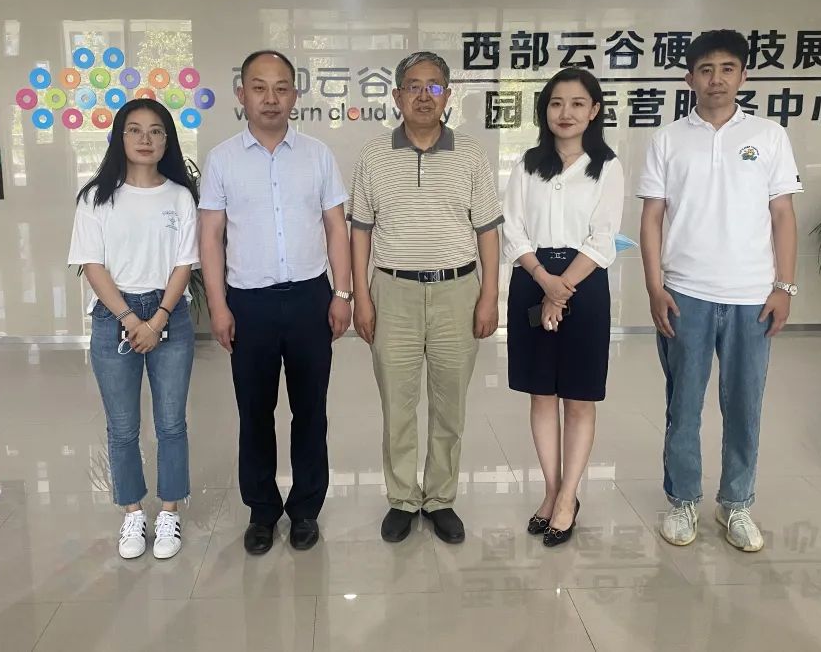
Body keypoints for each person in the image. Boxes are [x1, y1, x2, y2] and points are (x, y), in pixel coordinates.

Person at [637, 29, 802, 552]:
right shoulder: (668, 139)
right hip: (685, 293)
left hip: (752, 296)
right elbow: (652, 217)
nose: (716, 79)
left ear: (743, 75)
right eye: (706, 70)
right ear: (690, 78)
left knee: (745, 405)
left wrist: (784, 286)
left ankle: (736, 502)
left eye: (727, 69)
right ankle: (683, 500)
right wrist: (654, 286)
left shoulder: (769, 136)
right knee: (683, 405)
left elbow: (783, 214)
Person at [199, 50, 352, 556]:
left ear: (295, 95)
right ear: (241, 94)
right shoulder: (222, 159)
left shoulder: (317, 155)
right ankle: (262, 511)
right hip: (249, 303)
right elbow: (211, 237)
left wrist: (342, 293)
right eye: (259, 87)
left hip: (310, 298)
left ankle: (305, 509)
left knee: (311, 411)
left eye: (281, 88)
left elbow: (336, 228)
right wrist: (218, 306)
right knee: (255, 412)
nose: (270, 98)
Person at [350, 51, 502, 545]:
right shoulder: (374, 155)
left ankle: (439, 498)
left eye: (433, 86)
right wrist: (361, 297)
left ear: (447, 95)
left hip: (458, 291)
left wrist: (489, 295)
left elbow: (488, 232)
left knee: (449, 404)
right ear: (396, 96)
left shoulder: (471, 154)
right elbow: (360, 232)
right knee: (397, 404)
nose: (423, 95)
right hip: (391, 291)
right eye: (413, 86)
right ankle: (401, 498)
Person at [68, 98, 199, 561]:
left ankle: (169, 512)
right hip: (114, 318)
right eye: (135, 130)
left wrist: (158, 319)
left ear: (168, 140)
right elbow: (92, 264)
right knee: (122, 427)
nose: (146, 139)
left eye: (156, 130)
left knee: (171, 423)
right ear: (119, 137)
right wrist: (129, 319)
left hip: (169, 315)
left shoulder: (180, 197)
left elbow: (184, 263)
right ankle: (132, 512)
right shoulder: (96, 198)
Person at [502, 68, 624, 548]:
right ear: (544, 111)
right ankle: (551, 491)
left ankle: (569, 497)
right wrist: (545, 283)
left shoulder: (607, 166)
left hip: (584, 286)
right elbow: (513, 230)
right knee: (541, 395)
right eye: (556, 103)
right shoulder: (527, 165)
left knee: (578, 397)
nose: (565, 113)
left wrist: (561, 289)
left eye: (577, 103)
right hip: (532, 279)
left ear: (594, 110)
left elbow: (603, 237)